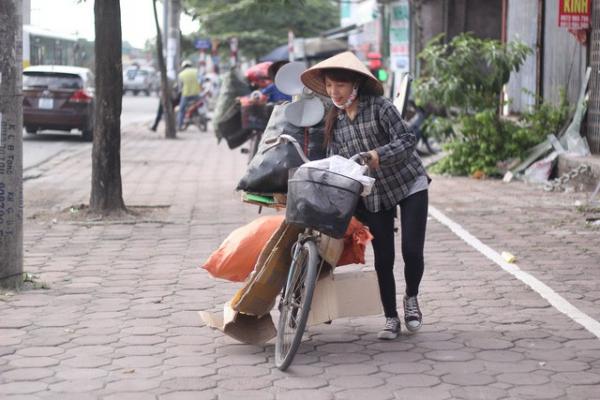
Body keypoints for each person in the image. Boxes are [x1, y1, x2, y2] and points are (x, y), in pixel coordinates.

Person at [300, 51, 430, 340]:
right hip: (374, 196)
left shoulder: (380, 108)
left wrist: (377, 155)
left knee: (411, 250)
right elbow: (337, 164)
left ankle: (411, 298)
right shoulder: (335, 123)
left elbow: (408, 140)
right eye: (330, 85)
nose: (335, 92)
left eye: (341, 85)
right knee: (383, 258)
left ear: (356, 85)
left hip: (408, 182)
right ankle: (391, 318)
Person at [177, 60, 201, 131]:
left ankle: (179, 125)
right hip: (196, 94)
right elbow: (201, 81)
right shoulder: (196, 71)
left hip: (186, 94)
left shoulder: (181, 74)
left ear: (183, 67)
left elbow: (180, 87)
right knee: (200, 106)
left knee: (181, 110)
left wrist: (180, 91)